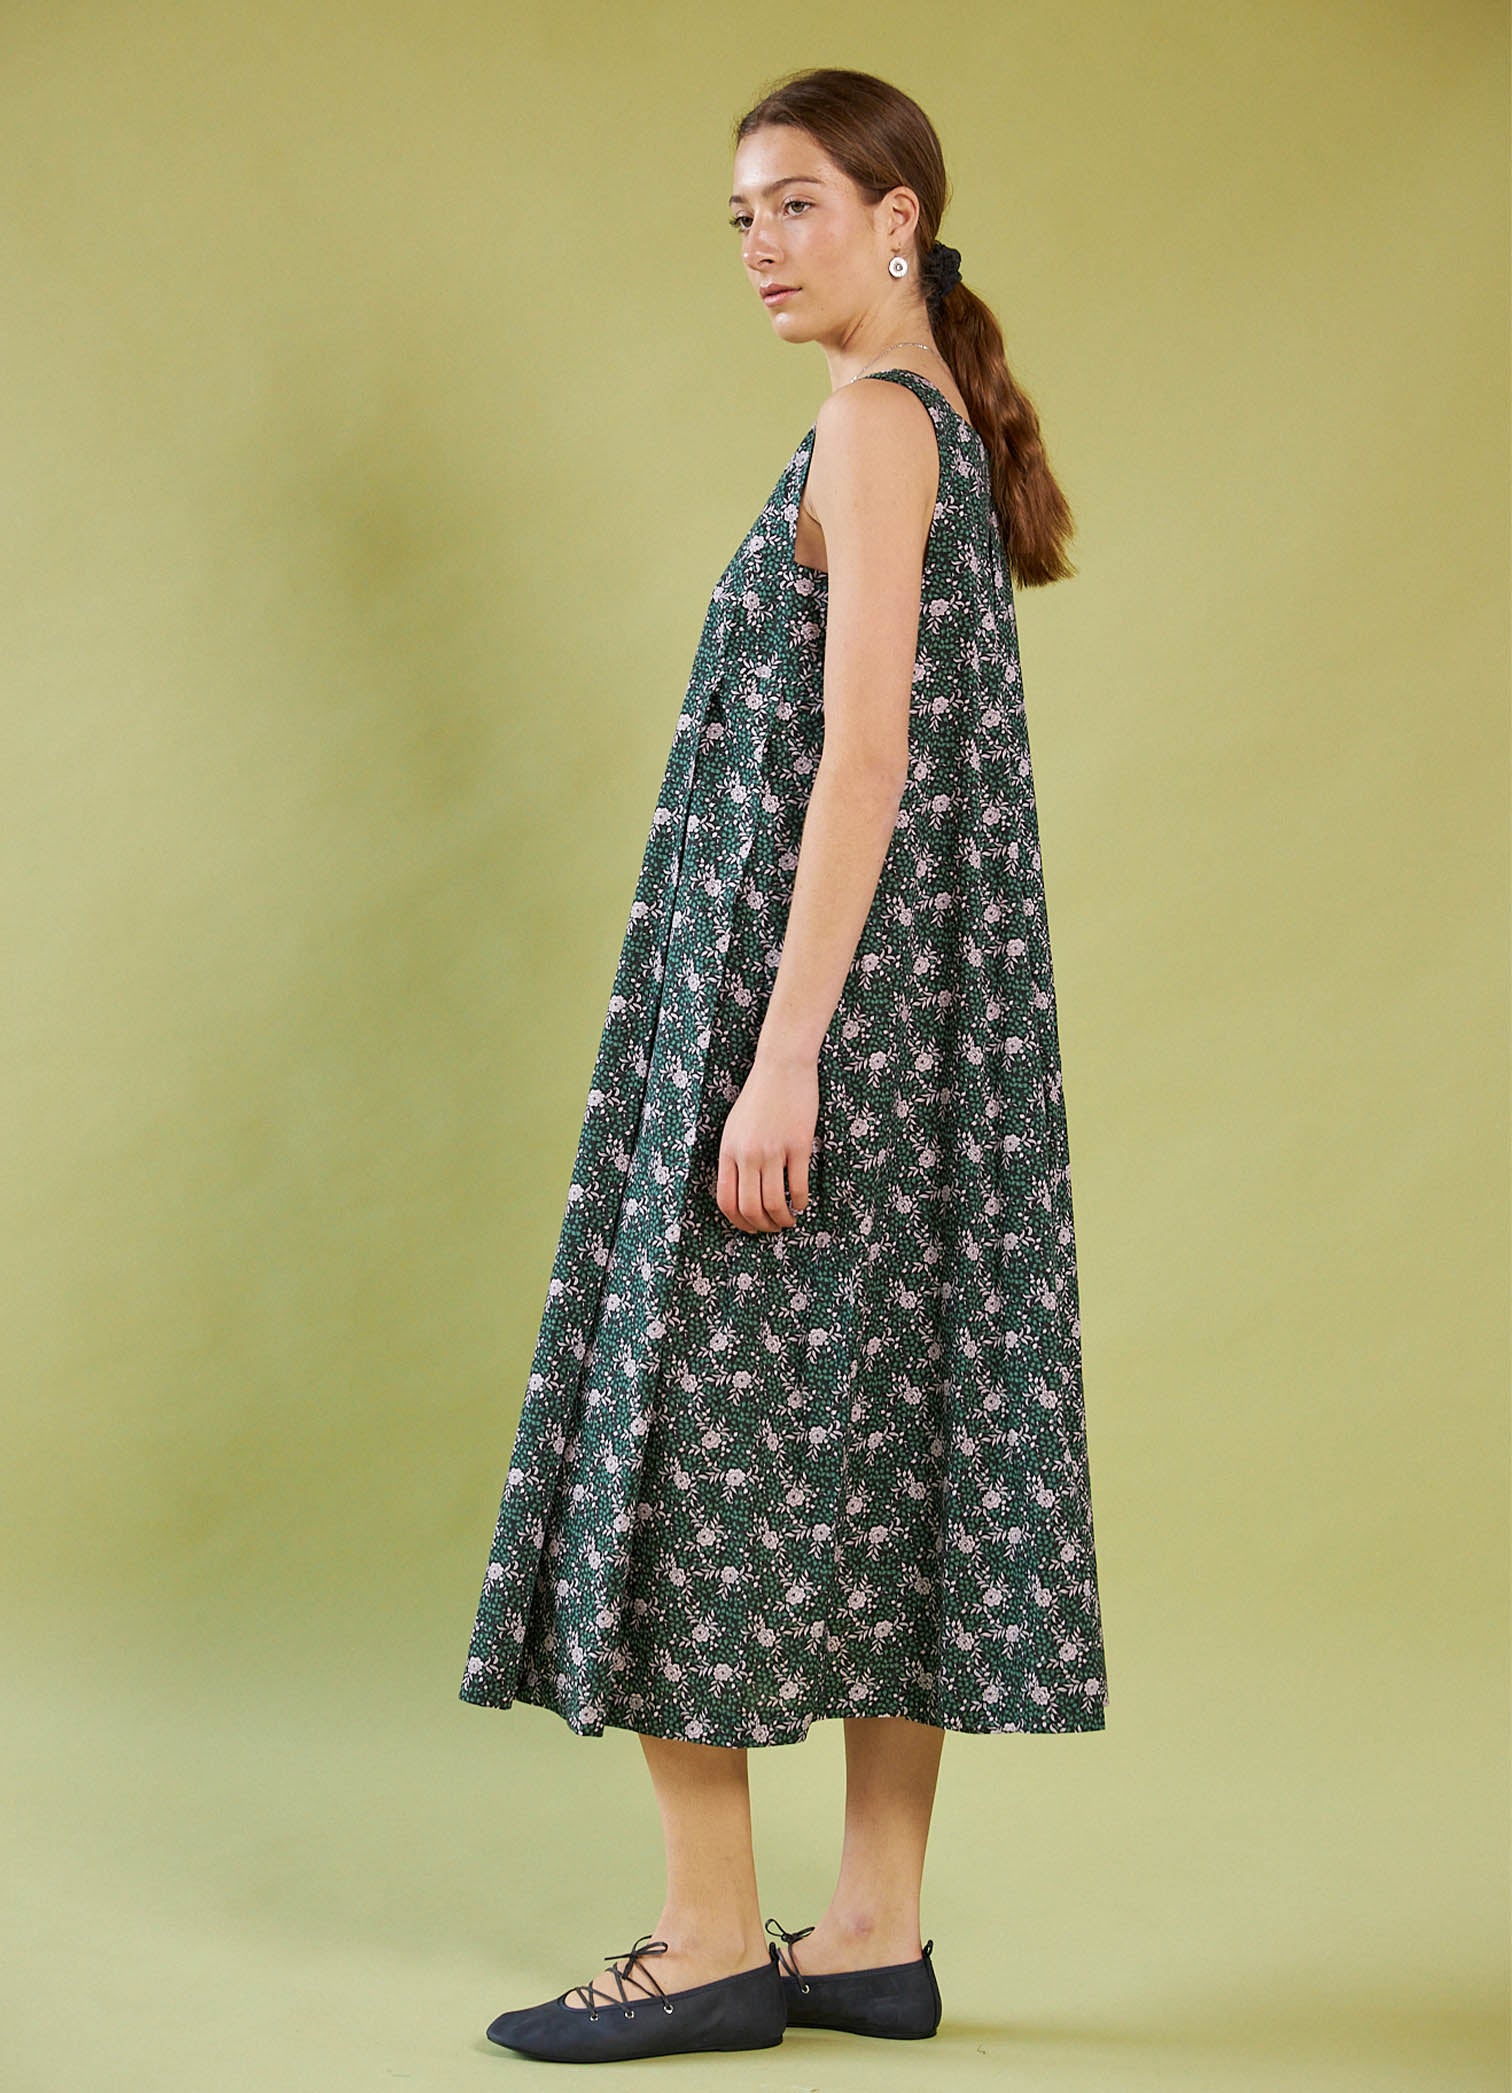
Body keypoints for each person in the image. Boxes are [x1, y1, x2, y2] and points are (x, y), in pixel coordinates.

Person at [462, 65, 1110, 2065]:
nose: (759, 243)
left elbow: (865, 757)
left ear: (899, 218)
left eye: (797, 204)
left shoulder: (870, 426)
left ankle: (710, 1935)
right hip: (938, 1033)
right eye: (739, 214)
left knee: (692, 1429)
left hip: (818, 1011)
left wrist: (779, 1058)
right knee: (903, 1436)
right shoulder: (930, 430)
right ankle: (872, 1934)